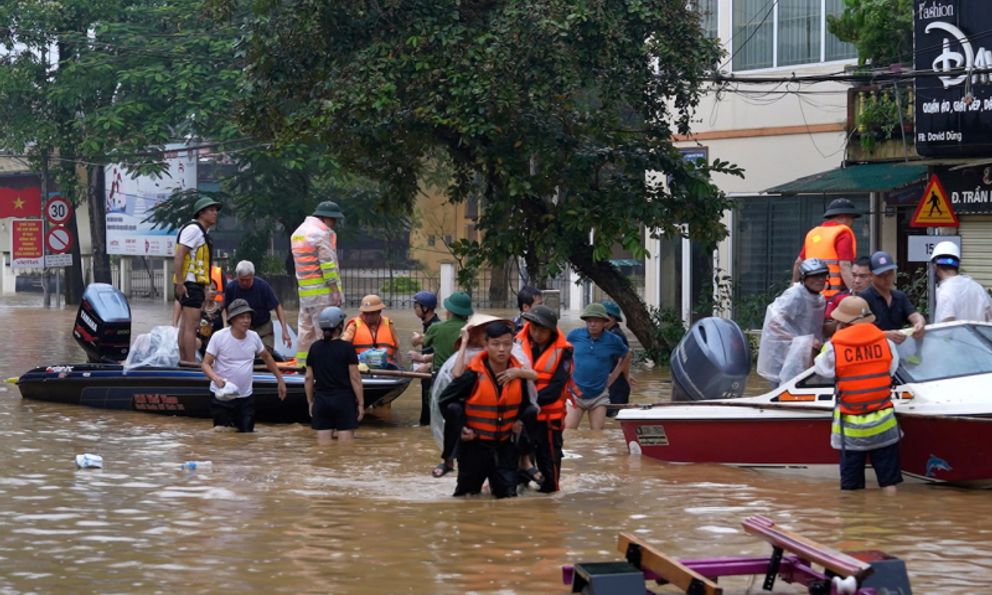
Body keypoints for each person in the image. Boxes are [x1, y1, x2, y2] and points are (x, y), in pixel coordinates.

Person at [437, 320, 536, 499]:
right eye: (496, 344)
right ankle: (448, 461)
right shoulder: (472, 375)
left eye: (507, 344)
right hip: (475, 446)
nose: (501, 349)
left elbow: (527, 406)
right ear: (486, 344)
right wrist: (461, 429)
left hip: (505, 446)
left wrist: (519, 422)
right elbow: (445, 401)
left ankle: (526, 464)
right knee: (466, 497)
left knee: (507, 498)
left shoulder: (518, 375)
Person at [814, 296, 902, 492]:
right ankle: (895, 517)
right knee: (889, 483)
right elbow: (891, 369)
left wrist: (835, 337)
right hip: (884, 423)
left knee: (851, 490)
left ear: (842, 322)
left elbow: (822, 369)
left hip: (851, 429)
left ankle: (852, 520)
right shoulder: (887, 343)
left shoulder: (834, 348)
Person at [201, 299, 287, 432]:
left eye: (248, 317)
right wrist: (216, 379)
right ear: (232, 320)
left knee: (247, 436)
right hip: (222, 396)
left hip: (245, 397)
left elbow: (267, 357)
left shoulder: (254, 337)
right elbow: (205, 364)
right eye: (242, 317)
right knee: (221, 436)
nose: (246, 321)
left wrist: (280, 379)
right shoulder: (219, 337)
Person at [516, 304, 572, 493]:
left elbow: (556, 388)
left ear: (551, 331)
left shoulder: (564, 351)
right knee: (518, 473)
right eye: (533, 328)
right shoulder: (516, 344)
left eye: (542, 330)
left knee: (550, 476)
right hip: (523, 417)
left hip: (548, 419)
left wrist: (527, 402)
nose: (536, 333)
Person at [757, 258, 828, 387]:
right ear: (804, 278)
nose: (820, 279)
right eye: (815, 276)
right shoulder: (795, 295)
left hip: (803, 354)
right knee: (781, 393)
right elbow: (774, 322)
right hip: (784, 355)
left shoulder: (819, 298)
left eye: (823, 275)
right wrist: (802, 340)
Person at [291, 201, 344, 366]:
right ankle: (324, 366)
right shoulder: (321, 234)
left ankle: (302, 365)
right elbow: (327, 265)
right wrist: (335, 291)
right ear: (325, 217)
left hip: (305, 293)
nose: (334, 224)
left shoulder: (298, 233)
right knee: (325, 332)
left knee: (305, 332)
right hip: (322, 293)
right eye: (333, 220)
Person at [565, 303, 629, 430]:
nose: (592, 324)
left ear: (604, 322)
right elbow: (561, 351)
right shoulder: (574, 335)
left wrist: (613, 377)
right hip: (575, 394)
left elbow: (626, 355)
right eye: (589, 321)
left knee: (597, 434)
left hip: (599, 395)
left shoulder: (613, 340)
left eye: (596, 321)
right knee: (568, 432)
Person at [305, 306, 364, 443]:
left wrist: (310, 402)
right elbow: (355, 378)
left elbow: (308, 378)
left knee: (324, 451)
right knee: (345, 451)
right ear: (340, 327)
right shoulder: (347, 348)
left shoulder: (314, 348)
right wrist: (360, 404)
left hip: (321, 402)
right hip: (344, 401)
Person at [173, 197, 221, 363]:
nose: (215, 213)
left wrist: (206, 287)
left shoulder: (201, 231)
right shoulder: (194, 230)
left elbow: (202, 263)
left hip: (193, 284)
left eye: (216, 210)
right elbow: (180, 254)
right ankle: (190, 364)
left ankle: (184, 362)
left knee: (185, 326)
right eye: (211, 210)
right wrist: (180, 283)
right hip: (189, 284)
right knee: (191, 328)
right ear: (201, 213)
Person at [794, 198, 859, 299]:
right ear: (844, 217)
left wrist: (794, 288)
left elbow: (798, 262)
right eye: (852, 219)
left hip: (811, 295)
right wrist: (855, 294)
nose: (852, 222)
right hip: (834, 296)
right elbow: (844, 266)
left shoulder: (813, 234)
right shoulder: (843, 233)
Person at [223, 260, 292, 355]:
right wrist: (228, 325)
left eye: (248, 280)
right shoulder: (231, 288)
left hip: (262, 328)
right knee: (241, 354)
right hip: (241, 328)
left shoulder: (263, 286)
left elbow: (277, 306)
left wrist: (284, 330)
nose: (244, 283)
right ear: (237, 276)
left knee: (264, 354)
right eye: (241, 280)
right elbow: (225, 308)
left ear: (252, 276)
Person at [859, 251, 926, 344]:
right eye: (881, 275)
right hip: (874, 351)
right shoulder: (863, 298)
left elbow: (914, 314)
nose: (886, 279)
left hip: (899, 351)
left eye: (890, 273)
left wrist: (919, 323)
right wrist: (883, 335)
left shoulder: (899, 296)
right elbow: (858, 331)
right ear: (871, 276)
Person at [930, 241, 992, 323]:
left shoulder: (945, 292)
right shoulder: (977, 287)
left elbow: (944, 329)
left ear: (935, 267)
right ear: (957, 265)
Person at [408, 291, 441, 426]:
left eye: (416, 306)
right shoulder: (428, 324)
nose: (415, 309)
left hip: (433, 373)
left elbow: (444, 352)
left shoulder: (436, 326)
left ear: (425, 308)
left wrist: (426, 365)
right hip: (427, 373)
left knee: (431, 406)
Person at [342, 294, 400, 368]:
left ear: (379, 312)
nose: (368, 316)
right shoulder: (354, 325)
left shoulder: (388, 324)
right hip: (361, 367)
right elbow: (343, 345)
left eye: (372, 313)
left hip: (386, 367)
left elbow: (397, 348)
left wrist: (400, 367)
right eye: (365, 313)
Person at [424, 291, 474, 374]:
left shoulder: (436, 327)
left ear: (449, 311)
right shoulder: (473, 329)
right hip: (463, 376)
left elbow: (425, 342)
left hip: (440, 375)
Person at [823, 256, 872, 336]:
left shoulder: (880, 299)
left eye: (863, 276)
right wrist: (840, 319)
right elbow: (825, 331)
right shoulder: (838, 298)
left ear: (873, 277)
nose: (857, 281)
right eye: (854, 275)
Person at [601, 300, 634, 417]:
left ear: (614, 318)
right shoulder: (607, 334)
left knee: (615, 416)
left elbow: (625, 358)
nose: (605, 318)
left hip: (616, 385)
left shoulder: (616, 336)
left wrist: (626, 377)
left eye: (608, 316)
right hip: (613, 382)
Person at [196, 283, 224, 359]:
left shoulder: (221, 309)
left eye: (214, 289)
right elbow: (192, 328)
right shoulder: (197, 308)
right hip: (200, 345)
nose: (212, 292)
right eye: (208, 289)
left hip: (217, 345)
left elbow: (226, 328)